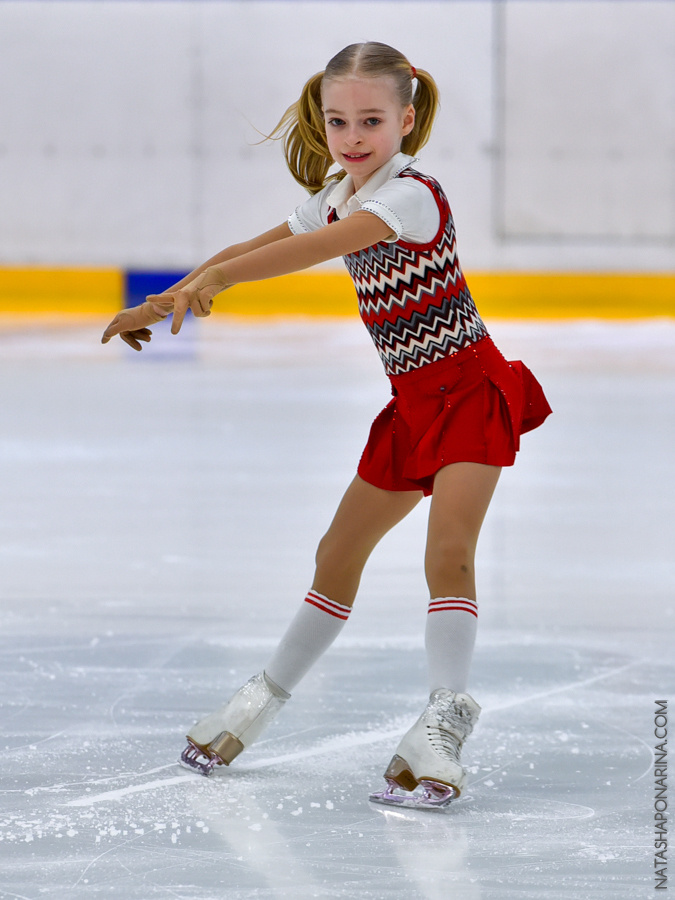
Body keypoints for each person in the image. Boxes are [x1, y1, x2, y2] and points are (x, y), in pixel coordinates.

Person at [102, 42, 551, 809]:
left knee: (449, 554)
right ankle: (260, 700)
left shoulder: (408, 195)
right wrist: (162, 299)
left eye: (370, 120)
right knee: (336, 552)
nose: (351, 136)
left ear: (406, 120)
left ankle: (442, 725)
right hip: (411, 406)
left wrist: (216, 281)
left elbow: (313, 250)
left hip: (470, 391)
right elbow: (258, 246)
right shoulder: (340, 190)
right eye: (337, 120)